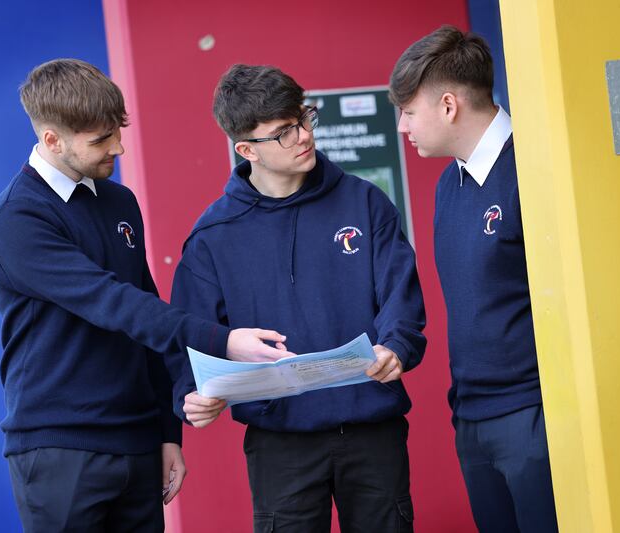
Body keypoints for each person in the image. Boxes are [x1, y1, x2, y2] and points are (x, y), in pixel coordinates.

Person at [0, 58, 290, 532]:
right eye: (101, 140)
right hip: (60, 451)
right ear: (51, 140)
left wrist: (168, 433)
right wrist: (224, 341)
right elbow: (112, 304)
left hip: (137, 444)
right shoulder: (16, 219)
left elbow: (147, 312)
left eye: (117, 132)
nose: (119, 147)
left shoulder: (119, 201)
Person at [164, 64, 426, 533]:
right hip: (279, 442)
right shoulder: (213, 236)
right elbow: (190, 331)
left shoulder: (366, 203)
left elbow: (400, 296)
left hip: (372, 430)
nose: (304, 135)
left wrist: (397, 346)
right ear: (246, 150)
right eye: (284, 132)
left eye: (304, 118)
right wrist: (188, 391)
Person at [389, 26, 558, 532]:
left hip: (536, 418)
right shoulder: (449, 185)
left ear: (447, 106)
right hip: (472, 419)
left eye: (409, 111)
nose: (402, 126)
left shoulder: (536, 169)